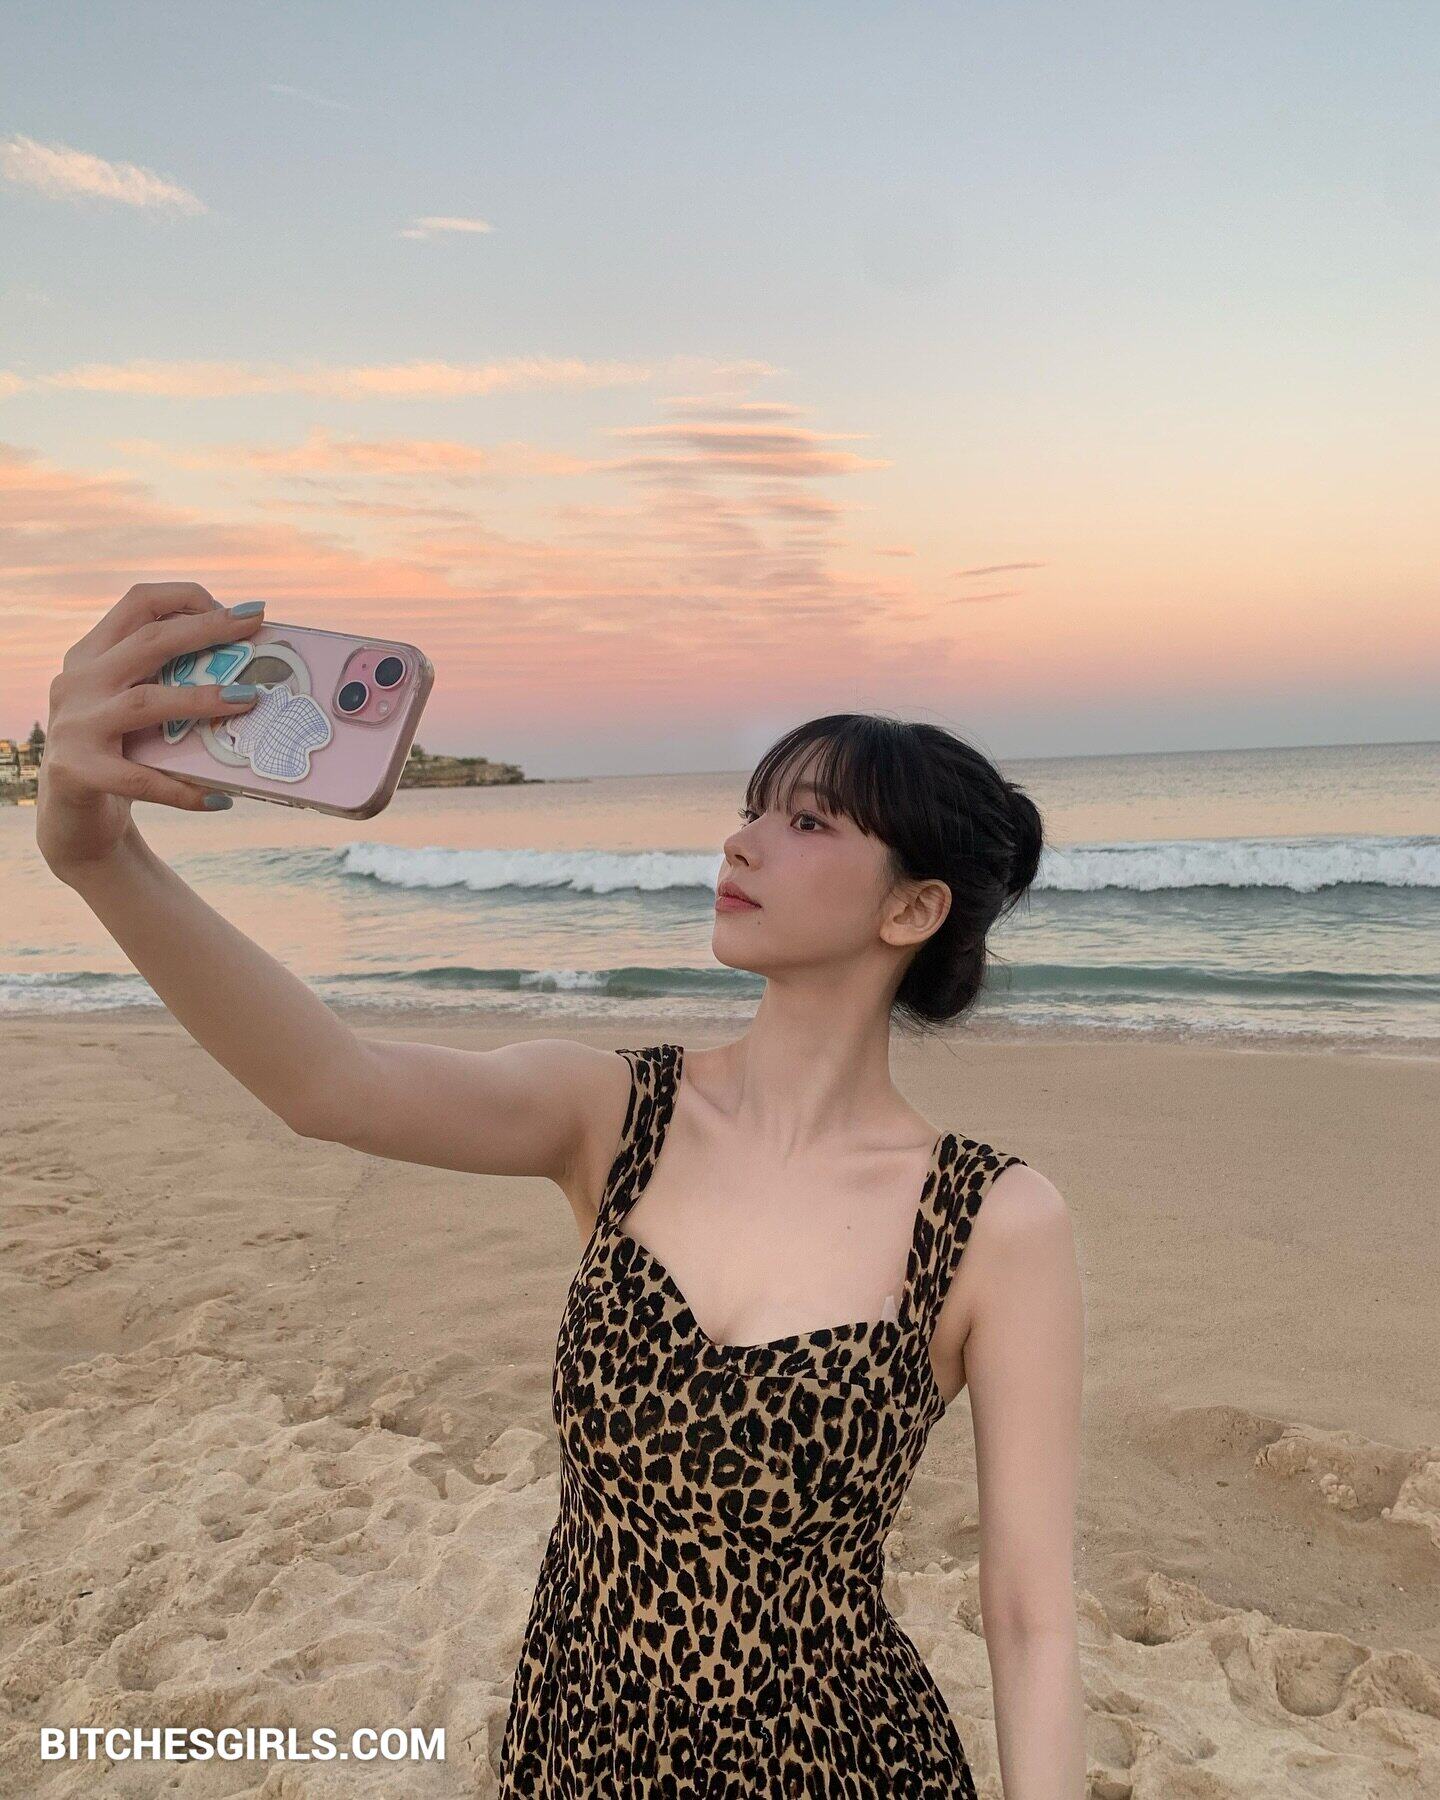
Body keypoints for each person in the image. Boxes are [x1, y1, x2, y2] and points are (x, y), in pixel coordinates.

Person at [37, 582, 1087, 1797]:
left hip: (836, 1761)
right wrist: (98, 859)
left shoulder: (993, 1224)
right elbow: (330, 1084)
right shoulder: (613, 1116)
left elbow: (1029, 1619)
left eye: (807, 823)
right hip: (579, 1743)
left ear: (912, 907)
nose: (742, 842)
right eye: (750, 810)